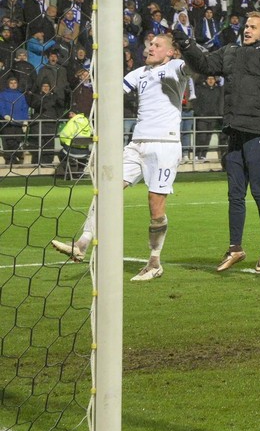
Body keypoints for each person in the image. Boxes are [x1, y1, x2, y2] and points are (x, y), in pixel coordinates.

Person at [52, 33, 190, 282]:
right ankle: (82, 244)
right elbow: (112, 94)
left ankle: (154, 262)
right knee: (106, 190)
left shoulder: (176, 67)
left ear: (170, 52)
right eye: (150, 45)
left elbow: (193, 64)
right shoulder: (139, 73)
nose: (150, 48)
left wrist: (186, 48)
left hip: (165, 145)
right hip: (136, 144)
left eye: (157, 46)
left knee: (155, 204)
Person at [173, 11, 260, 272]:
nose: (247, 30)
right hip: (234, 128)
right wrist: (186, 44)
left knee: (259, 189)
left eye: (254, 27)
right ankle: (235, 248)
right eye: (246, 25)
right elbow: (206, 65)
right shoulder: (231, 50)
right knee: (235, 194)